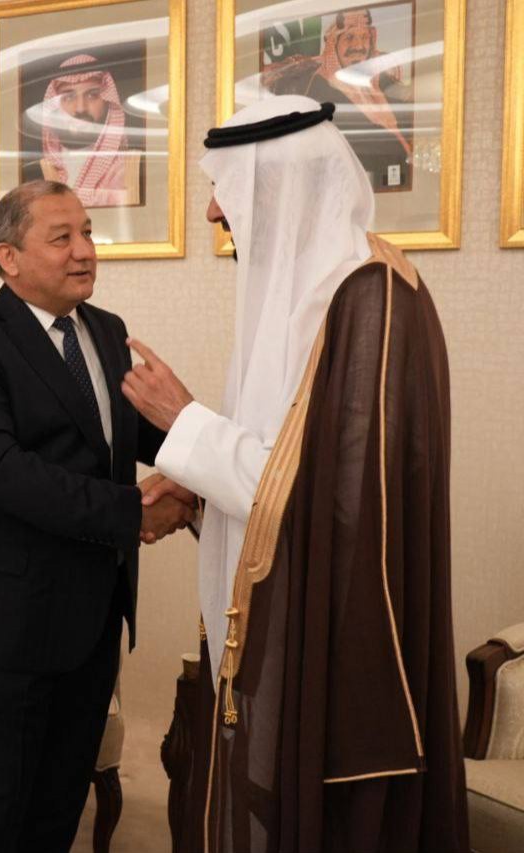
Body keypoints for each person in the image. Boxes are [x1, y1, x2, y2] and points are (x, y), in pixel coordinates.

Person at [121, 96, 468, 852]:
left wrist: (184, 421)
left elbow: (335, 501)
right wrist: (199, 498)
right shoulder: (316, 289)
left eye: (226, 189)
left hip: (339, 628)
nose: (213, 213)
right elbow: (290, 460)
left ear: (277, 187)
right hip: (293, 602)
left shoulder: (368, 296)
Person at [0, 179, 195, 852]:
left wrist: (204, 464)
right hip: (6, 621)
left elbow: (134, 435)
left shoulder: (106, 331)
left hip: (93, 614)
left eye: (89, 233)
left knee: (58, 804)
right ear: (9, 257)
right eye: (62, 237)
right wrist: (134, 511)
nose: (85, 251)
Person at [263, 10, 412, 190]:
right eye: (349, 37)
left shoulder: (383, 83)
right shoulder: (316, 91)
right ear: (334, 44)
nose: (359, 46)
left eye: (364, 37)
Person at [38, 54, 140, 207]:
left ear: (107, 102)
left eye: (92, 95)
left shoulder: (126, 167)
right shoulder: (42, 170)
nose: (80, 108)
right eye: (68, 97)